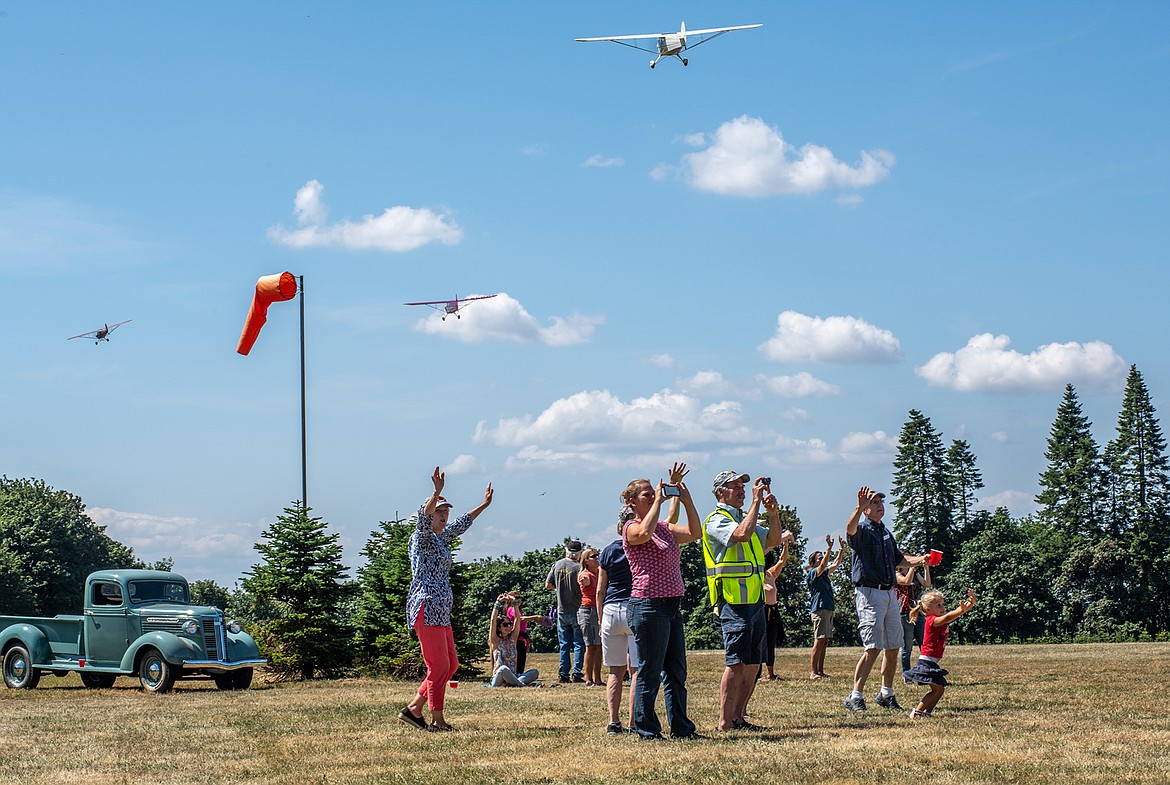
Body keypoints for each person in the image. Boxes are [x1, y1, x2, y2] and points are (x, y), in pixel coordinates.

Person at [401, 467, 493, 732]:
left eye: (445, 511)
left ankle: (414, 708)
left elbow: (462, 523)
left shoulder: (441, 539)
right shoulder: (422, 536)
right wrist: (436, 493)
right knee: (438, 665)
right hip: (426, 606)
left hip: (441, 608)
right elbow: (422, 517)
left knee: (451, 664)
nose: (443, 515)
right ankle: (436, 719)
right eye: (439, 511)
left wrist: (484, 505)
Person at [703, 470, 791, 731]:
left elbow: (773, 540)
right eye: (735, 486)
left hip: (754, 599)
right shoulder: (717, 520)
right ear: (720, 492)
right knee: (736, 661)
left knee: (753, 662)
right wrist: (755, 503)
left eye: (743, 486)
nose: (742, 489)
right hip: (732, 600)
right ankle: (725, 721)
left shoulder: (744, 518)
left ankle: (739, 717)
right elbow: (740, 534)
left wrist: (773, 513)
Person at [622, 463, 704, 741]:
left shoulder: (664, 528)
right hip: (647, 605)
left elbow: (695, 532)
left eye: (652, 493)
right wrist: (659, 499)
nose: (652, 495)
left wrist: (684, 496)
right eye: (646, 494)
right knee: (649, 671)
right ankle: (647, 729)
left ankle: (682, 728)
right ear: (632, 502)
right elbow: (643, 534)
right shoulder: (631, 527)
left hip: (670, 606)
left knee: (676, 672)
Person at [842, 486, 927, 714]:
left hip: (889, 593)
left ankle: (886, 694)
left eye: (881, 501)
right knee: (873, 647)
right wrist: (858, 509)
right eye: (874, 502)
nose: (880, 505)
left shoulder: (885, 532)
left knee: (893, 646)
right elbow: (849, 530)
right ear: (866, 509)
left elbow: (900, 559)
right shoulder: (862, 529)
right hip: (870, 593)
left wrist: (921, 559)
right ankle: (855, 696)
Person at [904, 588, 977, 718]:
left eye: (943, 604)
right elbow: (949, 617)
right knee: (937, 689)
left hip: (931, 662)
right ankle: (917, 712)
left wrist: (969, 605)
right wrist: (961, 610)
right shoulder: (931, 620)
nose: (943, 608)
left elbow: (949, 617)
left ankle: (927, 713)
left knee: (939, 690)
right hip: (926, 662)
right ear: (928, 610)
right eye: (938, 605)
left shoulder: (939, 619)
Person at [596, 525, 639, 735]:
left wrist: (599, 620)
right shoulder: (641, 545)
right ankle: (633, 721)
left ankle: (614, 721)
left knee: (615, 670)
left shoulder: (608, 551)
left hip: (611, 609)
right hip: (634, 605)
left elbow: (600, 589)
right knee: (636, 670)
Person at [806, 534, 846, 679]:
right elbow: (823, 565)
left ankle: (820, 671)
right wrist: (829, 548)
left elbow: (835, 563)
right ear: (812, 562)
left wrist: (841, 550)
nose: (822, 559)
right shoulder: (812, 573)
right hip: (819, 609)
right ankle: (813, 672)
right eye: (819, 557)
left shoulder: (824, 574)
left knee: (825, 640)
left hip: (828, 608)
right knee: (819, 640)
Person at [545, 539, 585, 683]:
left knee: (564, 644)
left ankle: (563, 673)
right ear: (580, 552)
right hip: (578, 609)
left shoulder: (558, 564)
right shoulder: (580, 567)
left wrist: (559, 588)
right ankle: (577, 673)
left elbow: (548, 585)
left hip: (562, 610)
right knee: (579, 644)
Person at [489, 593, 540, 687]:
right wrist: (497, 603)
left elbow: (517, 619)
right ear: (499, 627)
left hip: (513, 676)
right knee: (503, 669)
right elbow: (493, 621)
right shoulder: (495, 640)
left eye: (509, 624)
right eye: (505, 625)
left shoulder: (512, 639)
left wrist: (514, 602)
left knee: (534, 672)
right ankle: (521, 685)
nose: (508, 626)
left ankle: (513, 684)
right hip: (499, 677)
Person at [759, 535, 790, 682]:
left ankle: (770, 673)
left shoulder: (771, 574)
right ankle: (758, 673)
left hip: (773, 611)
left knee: (771, 642)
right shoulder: (756, 575)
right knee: (761, 642)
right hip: (761, 611)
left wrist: (785, 544)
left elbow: (782, 560)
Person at [895, 558, 932, 681]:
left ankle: (926, 671)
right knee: (907, 646)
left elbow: (927, 584)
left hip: (918, 611)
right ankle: (907, 675)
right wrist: (912, 567)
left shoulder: (915, 573)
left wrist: (926, 567)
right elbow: (906, 581)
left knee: (924, 643)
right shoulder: (896, 574)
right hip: (905, 613)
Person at [577, 547, 603, 686]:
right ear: (586, 560)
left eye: (598, 555)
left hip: (599, 610)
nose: (597, 558)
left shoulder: (600, 572)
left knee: (599, 646)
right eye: (594, 556)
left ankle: (598, 679)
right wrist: (585, 580)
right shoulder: (584, 574)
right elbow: (583, 580)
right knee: (590, 646)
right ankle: (588, 679)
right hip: (587, 610)